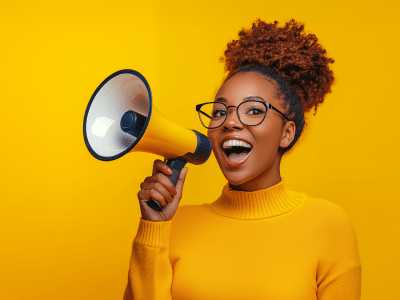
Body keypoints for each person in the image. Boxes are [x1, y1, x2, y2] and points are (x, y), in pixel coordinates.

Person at [123, 19, 362, 300]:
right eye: (220, 111)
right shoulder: (173, 224)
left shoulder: (329, 224)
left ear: (286, 133)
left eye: (252, 110)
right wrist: (153, 226)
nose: (230, 122)